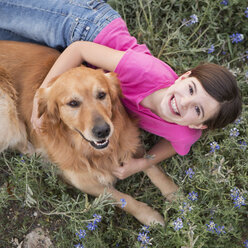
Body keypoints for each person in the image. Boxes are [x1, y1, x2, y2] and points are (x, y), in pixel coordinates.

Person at [0, 0, 242, 186]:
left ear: (199, 126)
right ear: (184, 76)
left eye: (197, 110)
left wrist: (141, 164)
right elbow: (80, 50)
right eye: (191, 89)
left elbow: (175, 143)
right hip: (83, 27)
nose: (184, 102)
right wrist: (42, 97)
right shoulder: (146, 71)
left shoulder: (184, 132)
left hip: (82, 75)